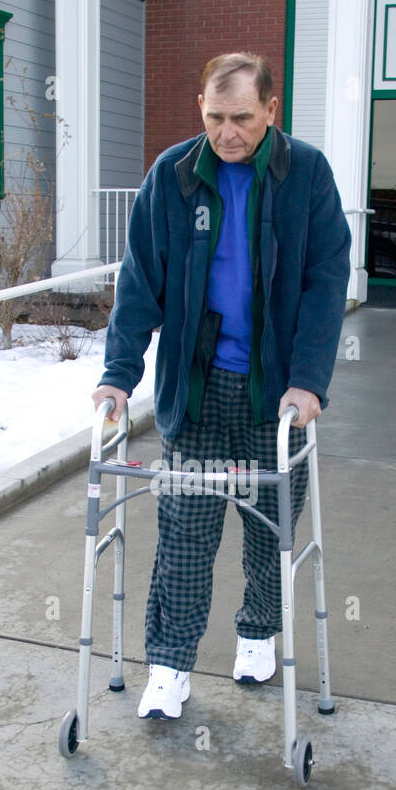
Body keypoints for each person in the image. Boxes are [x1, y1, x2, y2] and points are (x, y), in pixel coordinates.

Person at [93, 52, 352, 719]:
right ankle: (170, 667)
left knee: (270, 538)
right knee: (184, 536)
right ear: (199, 109)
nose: (228, 133)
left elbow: (326, 283)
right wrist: (119, 375)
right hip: (199, 392)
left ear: (271, 110)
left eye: (242, 118)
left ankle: (257, 633)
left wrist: (309, 381)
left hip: (276, 399)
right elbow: (140, 281)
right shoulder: (174, 174)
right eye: (215, 118)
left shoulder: (308, 174)